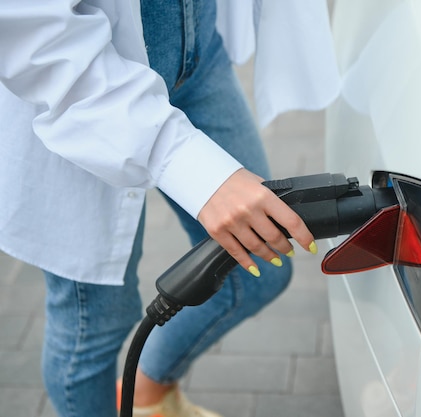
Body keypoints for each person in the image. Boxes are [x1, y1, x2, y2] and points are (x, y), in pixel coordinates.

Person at [0, 0, 335, 416]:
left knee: (258, 268)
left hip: (199, 48)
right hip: (85, 73)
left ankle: (145, 395)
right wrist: (181, 159)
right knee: (92, 328)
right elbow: (31, 28)